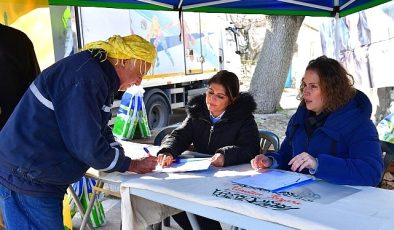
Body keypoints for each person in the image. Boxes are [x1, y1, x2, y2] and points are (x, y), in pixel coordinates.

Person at [0, 34, 158, 229]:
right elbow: (88, 146)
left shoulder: (97, 74)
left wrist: (120, 155)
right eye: (140, 73)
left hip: (35, 174)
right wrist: (130, 164)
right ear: (124, 61)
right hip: (28, 177)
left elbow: (99, 128)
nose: (139, 82)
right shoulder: (87, 78)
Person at [251, 55, 383, 186]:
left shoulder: (359, 124)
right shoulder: (300, 118)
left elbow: (371, 172)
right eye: (304, 85)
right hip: (302, 195)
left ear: (332, 90)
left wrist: (318, 164)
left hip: (339, 200)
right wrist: (271, 161)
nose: (305, 92)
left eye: (313, 86)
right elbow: (287, 154)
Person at [157, 70, 260, 230]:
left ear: (231, 100)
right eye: (210, 92)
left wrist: (225, 155)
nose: (212, 99)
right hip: (200, 177)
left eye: (220, 96)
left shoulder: (244, 118)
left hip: (228, 182)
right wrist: (168, 150)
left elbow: (251, 149)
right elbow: (179, 135)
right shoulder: (197, 112)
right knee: (171, 198)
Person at [0, 23, 40, 130]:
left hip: (16, 130)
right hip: (17, 132)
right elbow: (36, 92)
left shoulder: (17, 41)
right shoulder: (17, 39)